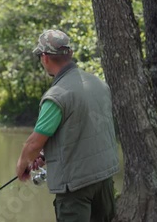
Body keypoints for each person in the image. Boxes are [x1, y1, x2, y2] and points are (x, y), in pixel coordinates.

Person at [16, 30, 120, 222]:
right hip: (104, 178)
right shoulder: (98, 84)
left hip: (75, 186)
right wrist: (48, 155)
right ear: (70, 54)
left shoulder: (56, 96)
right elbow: (86, 130)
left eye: (40, 56)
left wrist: (23, 164)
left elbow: (33, 144)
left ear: (45, 58)